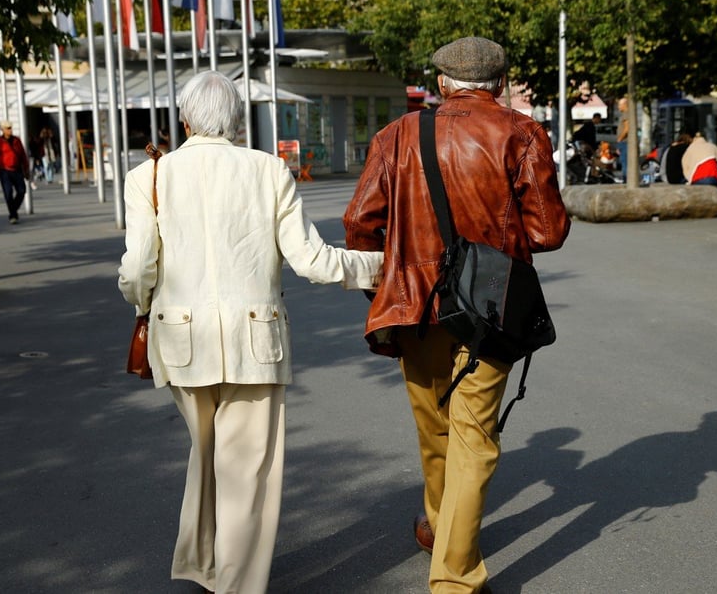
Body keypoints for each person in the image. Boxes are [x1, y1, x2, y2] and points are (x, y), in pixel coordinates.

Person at [117, 70, 383, 594]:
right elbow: (311, 260)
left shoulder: (147, 176)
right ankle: (235, 584)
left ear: (186, 118)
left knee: (207, 451)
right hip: (255, 341)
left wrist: (141, 302)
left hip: (181, 338)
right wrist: (381, 265)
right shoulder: (268, 170)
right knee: (246, 471)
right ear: (237, 120)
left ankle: (202, 564)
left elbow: (138, 269)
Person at [343, 37, 571, 593]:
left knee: (435, 428)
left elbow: (359, 223)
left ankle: (442, 528)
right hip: (491, 298)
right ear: (500, 83)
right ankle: (454, 576)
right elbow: (547, 232)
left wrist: (386, 282)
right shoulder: (521, 132)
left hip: (412, 298)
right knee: (474, 436)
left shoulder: (397, 135)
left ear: (442, 83)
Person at [0, 120, 30, 224]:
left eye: (11, 128)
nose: (10, 130)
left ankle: (13, 209)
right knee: (8, 193)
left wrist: (26, 169)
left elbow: (23, 156)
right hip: (5, 171)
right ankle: (13, 215)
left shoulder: (17, 140)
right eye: (7, 128)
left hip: (17, 170)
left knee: (22, 191)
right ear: (2, 130)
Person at [615, 97, 629, 180]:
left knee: (624, 161)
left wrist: (620, 139)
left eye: (619, 105)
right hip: (623, 142)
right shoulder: (625, 114)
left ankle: (626, 178)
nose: (618, 107)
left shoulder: (626, 115)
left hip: (624, 142)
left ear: (625, 105)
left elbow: (627, 129)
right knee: (623, 161)